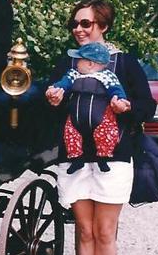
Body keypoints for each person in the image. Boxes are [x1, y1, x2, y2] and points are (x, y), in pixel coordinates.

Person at [44, 0, 155, 255]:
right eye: (75, 23)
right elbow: (50, 98)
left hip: (114, 157)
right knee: (84, 230)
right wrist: (52, 97)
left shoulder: (123, 63)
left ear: (103, 26)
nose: (78, 29)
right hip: (75, 157)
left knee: (105, 231)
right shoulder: (68, 64)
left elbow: (147, 104)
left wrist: (129, 108)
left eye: (85, 23)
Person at [49, 41, 130, 173]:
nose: (76, 63)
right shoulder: (75, 73)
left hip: (101, 115)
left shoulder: (107, 76)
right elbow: (64, 82)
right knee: (70, 134)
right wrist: (55, 89)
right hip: (76, 115)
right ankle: (77, 160)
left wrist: (120, 101)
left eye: (79, 60)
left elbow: (116, 90)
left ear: (90, 63)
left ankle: (103, 158)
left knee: (106, 133)